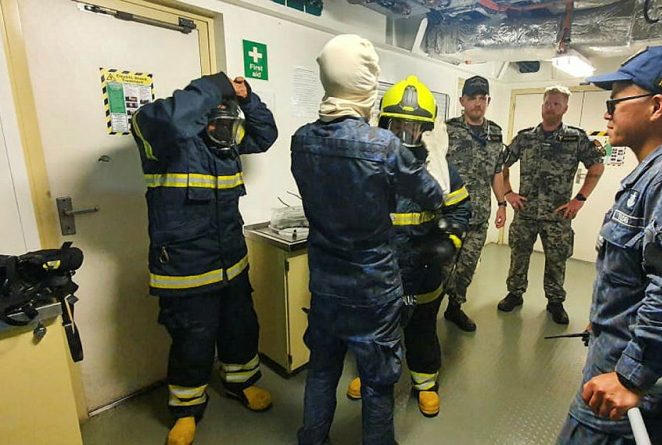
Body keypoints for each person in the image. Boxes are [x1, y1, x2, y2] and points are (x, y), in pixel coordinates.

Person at [557, 46, 662, 444]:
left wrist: (631, 375)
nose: (607, 112)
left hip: (619, 387)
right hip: (609, 357)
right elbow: (639, 271)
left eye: (615, 101)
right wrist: (605, 318)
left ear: (657, 105)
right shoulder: (654, 174)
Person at [291, 36, 444, 445]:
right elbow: (432, 195)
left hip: (324, 282)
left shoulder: (302, 139)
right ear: (365, 85)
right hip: (373, 288)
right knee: (377, 381)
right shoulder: (384, 146)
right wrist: (438, 150)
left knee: (322, 369)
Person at [131, 72, 278, 445]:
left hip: (232, 259)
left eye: (228, 124)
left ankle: (241, 383)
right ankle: (185, 409)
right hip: (185, 267)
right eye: (215, 121)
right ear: (199, 116)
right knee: (192, 341)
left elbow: (265, 135)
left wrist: (248, 99)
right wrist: (218, 84)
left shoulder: (225, 142)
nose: (224, 131)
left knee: (240, 328)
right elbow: (169, 119)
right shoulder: (159, 137)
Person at [345, 75, 472, 418]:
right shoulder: (369, 162)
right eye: (398, 125)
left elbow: (461, 207)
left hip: (424, 266)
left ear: (425, 130)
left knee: (421, 328)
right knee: (375, 329)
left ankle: (425, 383)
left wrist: (450, 240)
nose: (405, 134)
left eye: (413, 127)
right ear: (384, 123)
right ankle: (367, 374)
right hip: (380, 268)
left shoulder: (440, 167)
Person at [496, 85, 605, 324]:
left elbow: (596, 167)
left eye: (556, 103)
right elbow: (501, 165)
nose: (551, 107)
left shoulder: (576, 138)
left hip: (558, 215)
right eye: (547, 102)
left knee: (557, 260)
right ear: (542, 105)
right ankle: (515, 293)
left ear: (565, 108)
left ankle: (555, 301)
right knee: (518, 255)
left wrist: (580, 199)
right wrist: (509, 193)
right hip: (525, 212)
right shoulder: (525, 138)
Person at [442, 75, 508, 332]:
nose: (478, 103)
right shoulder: (448, 130)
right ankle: (426, 311)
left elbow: (497, 171)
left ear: (488, 101)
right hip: (450, 214)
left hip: (480, 215)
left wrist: (502, 204)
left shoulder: (496, 133)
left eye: (483, 98)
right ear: (462, 101)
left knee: (467, 267)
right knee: (442, 266)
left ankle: (454, 308)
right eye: (472, 98)